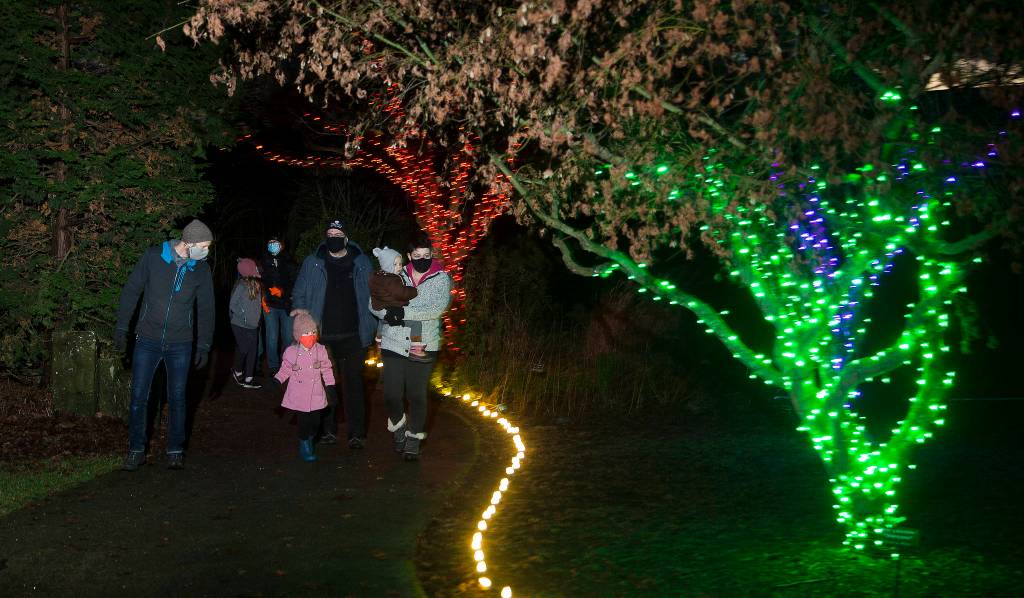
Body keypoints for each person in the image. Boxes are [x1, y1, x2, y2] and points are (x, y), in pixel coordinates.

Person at [113, 219, 215, 471]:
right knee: (139, 396)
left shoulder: (201, 270)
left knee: (178, 397)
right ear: (188, 242)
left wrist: (204, 344)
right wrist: (122, 327)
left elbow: (206, 309)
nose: (206, 251)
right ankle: (136, 449)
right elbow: (131, 291)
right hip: (147, 339)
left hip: (180, 343)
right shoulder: (152, 257)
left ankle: (175, 450)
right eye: (204, 246)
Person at [290, 219, 376, 449]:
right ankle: (327, 430)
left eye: (337, 233)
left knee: (354, 384)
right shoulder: (313, 262)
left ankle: (356, 433)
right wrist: (300, 310)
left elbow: (374, 294)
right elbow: (299, 291)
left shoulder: (362, 262)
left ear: (346, 237)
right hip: (322, 336)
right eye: (329, 233)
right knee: (324, 384)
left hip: (355, 336)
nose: (333, 237)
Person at [371, 234, 452, 460]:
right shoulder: (396, 272)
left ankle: (414, 437)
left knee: (416, 394)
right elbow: (374, 301)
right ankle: (398, 428)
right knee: (391, 395)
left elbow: (435, 308)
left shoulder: (441, 278)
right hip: (393, 340)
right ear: (409, 256)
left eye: (427, 255)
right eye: (417, 256)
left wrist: (402, 312)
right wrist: (386, 313)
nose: (422, 259)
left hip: (425, 343)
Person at [274, 312, 338, 462]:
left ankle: (309, 439)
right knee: (303, 422)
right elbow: (285, 369)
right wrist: (277, 380)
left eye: (313, 332)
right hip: (299, 394)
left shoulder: (320, 350)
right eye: (306, 333)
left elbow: (326, 369)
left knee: (315, 423)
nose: (310, 336)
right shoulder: (291, 352)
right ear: (298, 335)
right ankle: (304, 446)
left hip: (316, 393)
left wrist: (330, 386)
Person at [369, 246, 428, 361]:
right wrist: (414, 291)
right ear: (386, 265)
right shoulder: (391, 279)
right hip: (393, 309)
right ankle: (415, 345)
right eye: (395, 264)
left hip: (381, 307)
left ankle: (379, 339)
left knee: (382, 320)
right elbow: (401, 293)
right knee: (415, 323)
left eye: (400, 264)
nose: (399, 267)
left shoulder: (378, 276)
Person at [260, 236, 296, 375]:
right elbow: (259, 280)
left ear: (281, 245)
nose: (272, 245)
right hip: (270, 305)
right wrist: (265, 295)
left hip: (286, 305)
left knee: (287, 337)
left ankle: (286, 364)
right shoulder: (264, 261)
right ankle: (273, 365)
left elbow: (295, 281)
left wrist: (283, 292)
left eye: (275, 243)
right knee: (272, 336)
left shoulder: (289, 261)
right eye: (270, 243)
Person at [229, 258, 263, 389]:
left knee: (253, 351)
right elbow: (233, 305)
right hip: (239, 325)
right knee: (244, 348)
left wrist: (257, 318)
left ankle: (249, 378)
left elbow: (257, 306)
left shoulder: (257, 285)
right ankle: (237, 370)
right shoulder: (241, 286)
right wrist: (243, 317)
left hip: (253, 325)